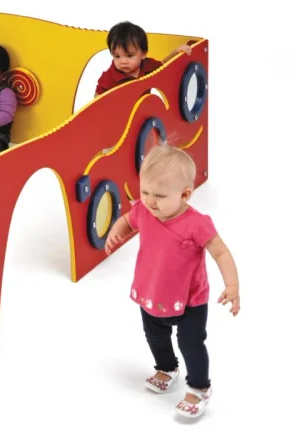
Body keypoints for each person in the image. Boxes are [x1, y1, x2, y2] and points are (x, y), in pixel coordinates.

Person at [105, 144, 240, 419]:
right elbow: (128, 220)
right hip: (152, 291)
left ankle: (199, 388)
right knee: (155, 336)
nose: (150, 201)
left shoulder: (197, 224)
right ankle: (166, 368)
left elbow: (221, 253)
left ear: (185, 194)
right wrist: (116, 232)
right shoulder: (143, 210)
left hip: (190, 300)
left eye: (159, 195)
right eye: (145, 191)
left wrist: (232, 286)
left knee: (191, 343)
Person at [96, 21, 193, 96]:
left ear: (143, 54)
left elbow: (164, 64)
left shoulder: (147, 65)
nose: (123, 61)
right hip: (120, 112)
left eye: (129, 56)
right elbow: (97, 97)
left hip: (143, 111)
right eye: (117, 56)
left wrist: (176, 52)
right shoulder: (109, 77)